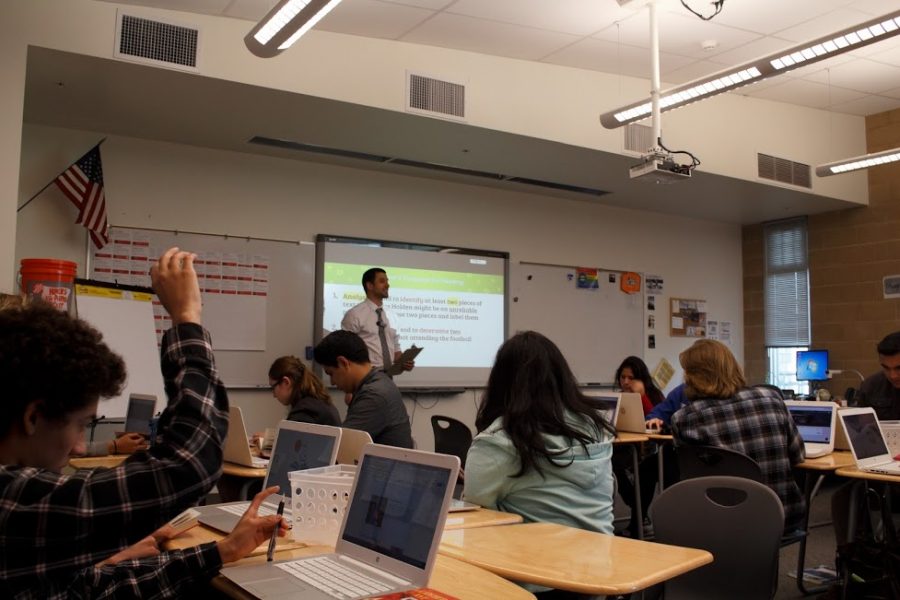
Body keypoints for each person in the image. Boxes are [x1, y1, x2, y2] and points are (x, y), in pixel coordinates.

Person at [0, 247, 286, 598]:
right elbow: (189, 463)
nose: (78, 447)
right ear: (33, 417)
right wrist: (186, 317)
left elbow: (85, 587)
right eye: (79, 425)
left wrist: (221, 552)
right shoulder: (11, 502)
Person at [464, 331, 615, 599]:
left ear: (501, 381)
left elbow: (475, 521)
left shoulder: (499, 442)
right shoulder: (595, 428)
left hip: (534, 584)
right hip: (600, 576)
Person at [671, 339, 805, 534]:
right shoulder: (772, 399)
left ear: (695, 377)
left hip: (719, 523)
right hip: (782, 517)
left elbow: (690, 479)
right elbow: (798, 455)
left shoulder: (685, 418)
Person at [313, 330, 413, 448]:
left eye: (331, 373)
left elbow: (339, 447)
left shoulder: (374, 395)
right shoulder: (379, 381)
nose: (332, 382)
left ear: (343, 363)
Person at [612, 355, 664, 538]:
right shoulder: (619, 397)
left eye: (630, 378)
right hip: (625, 445)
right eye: (622, 377)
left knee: (620, 464)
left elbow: (656, 422)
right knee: (611, 461)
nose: (625, 382)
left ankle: (638, 512)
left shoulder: (654, 395)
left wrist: (641, 397)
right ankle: (638, 510)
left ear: (641, 378)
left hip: (647, 448)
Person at [341, 267, 414, 374]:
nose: (387, 285)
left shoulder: (391, 316)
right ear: (369, 285)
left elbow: (395, 350)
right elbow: (345, 351)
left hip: (388, 376)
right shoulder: (354, 314)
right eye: (382, 281)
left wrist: (404, 362)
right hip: (365, 376)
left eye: (387, 281)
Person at [268, 355, 341, 427]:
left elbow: (291, 437)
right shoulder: (315, 402)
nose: (274, 395)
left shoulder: (305, 411)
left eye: (273, 388)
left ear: (286, 382)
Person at [856, 331, 900, 420]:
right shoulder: (870, 386)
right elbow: (861, 428)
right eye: (886, 368)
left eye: (899, 368)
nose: (893, 376)